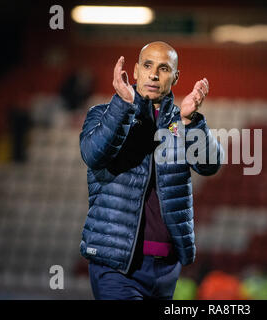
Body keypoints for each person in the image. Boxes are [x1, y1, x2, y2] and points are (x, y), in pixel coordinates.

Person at [79, 41, 223, 300]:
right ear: (135, 71)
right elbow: (93, 154)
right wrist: (123, 106)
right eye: (147, 65)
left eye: (164, 68)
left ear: (175, 77)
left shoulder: (181, 124)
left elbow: (210, 165)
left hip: (166, 268)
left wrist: (191, 121)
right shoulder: (102, 114)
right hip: (116, 264)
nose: (154, 74)